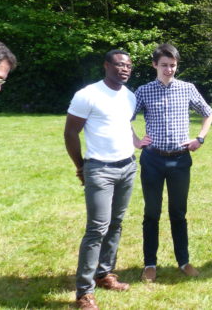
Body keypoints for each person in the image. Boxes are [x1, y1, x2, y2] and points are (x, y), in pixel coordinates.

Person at [64, 49, 147, 310]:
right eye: (120, 64)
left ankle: (104, 274)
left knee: (116, 223)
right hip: (99, 169)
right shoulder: (88, 95)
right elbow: (70, 132)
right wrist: (81, 167)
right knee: (97, 228)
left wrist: (136, 141)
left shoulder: (129, 96)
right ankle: (84, 293)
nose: (125, 69)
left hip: (127, 167)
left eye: (129, 66)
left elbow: (123, 124)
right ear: (106, 66)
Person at [133, 43, 212, 283]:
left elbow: (208, 112)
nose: (169, 69)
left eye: (173, 65)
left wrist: (200, 138)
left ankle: (184, 261)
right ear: (154, 65)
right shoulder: (144, 91)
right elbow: (123, 117)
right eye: (164, 65)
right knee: (152, 213)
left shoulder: (187, 88)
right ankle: (150, 264)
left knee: (178, 212)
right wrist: (136, 140)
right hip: (152, 160)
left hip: (180, 160)